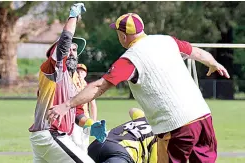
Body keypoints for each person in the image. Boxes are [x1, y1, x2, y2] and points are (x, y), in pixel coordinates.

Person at [47, 13, 230, 163]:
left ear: (123, 36)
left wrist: (67, 104)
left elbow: (99, 87)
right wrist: (213, 63)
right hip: (203, 116)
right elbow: (196, 52)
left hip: (177, 125)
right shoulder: (167, 40)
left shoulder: (130, 59)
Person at [29, 3, 106, 163]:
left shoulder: (71, 83)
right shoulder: (50, 69)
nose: (72, 52)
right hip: (50, 134)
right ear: (54, 53)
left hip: (48, 137)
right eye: (68, 49)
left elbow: (77, 113)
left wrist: (91, 125)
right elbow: (64, 43)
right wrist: (73, 17)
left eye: (75, 50)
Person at [88, 108, 157, 163]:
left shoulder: (143, 118)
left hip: (97, 144)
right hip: (120, 152)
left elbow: (133, 110)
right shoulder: (161, 137)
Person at [71, 63, 98, 152]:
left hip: (85, 118)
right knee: (75, 141)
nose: (79, 74)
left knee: (84, 143)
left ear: (85, 74)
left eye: (82, 72)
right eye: (77, 72)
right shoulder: (72, 85)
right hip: (74, 118)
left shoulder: (88, 87)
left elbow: (93, 105)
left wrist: (93, 120)